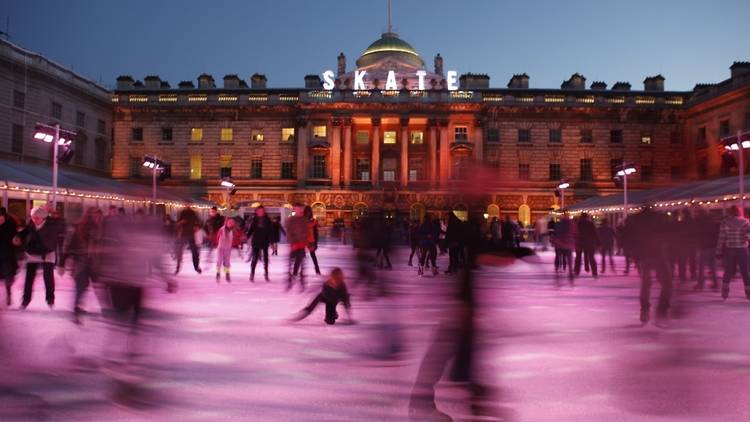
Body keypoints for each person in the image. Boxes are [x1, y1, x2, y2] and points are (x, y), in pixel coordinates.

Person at [629, 206, 673, 324]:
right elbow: (668, 235)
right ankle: (662, 309)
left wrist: (634, 255)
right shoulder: (659, 218)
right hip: (658, 254)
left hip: (645, 255)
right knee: (667, 283)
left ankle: (645, 308)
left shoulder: (636, 220)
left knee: (646, 282)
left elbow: (632, 239)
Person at [60, 207, 103, 323]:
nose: (97, 218)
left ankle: (79, 308)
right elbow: (69, 247)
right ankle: (76, 310)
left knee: (90, 286)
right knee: (81, 286)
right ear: (89, 216)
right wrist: (62, 263)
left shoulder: (99, 230)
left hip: (92, 264)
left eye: (99, 216)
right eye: (95, 216)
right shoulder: (79, 228)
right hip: (80, 264)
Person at [14, 207, 63, 309]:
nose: (34, 220)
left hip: (47, 253)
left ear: (43, 218)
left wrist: (33, 249)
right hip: (33, 253)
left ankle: (50, 300)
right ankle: (25, 300)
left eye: (37, 218)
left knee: (48, 278)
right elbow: (25, 231)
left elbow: (50, 245)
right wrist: (18, 236)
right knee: (29, 278)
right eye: (33, 217)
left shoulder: (51, 227)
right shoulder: (32, 224)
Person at [716, 205, 750, 300]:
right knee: (745, 271)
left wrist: (718, 251)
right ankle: (748, 291)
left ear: (730, 212)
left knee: (728, 271)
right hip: (742, 248)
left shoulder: (725, 222)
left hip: (730, 249)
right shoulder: (746, 222)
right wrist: (746, 237)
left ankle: (725, 291)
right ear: (739, 212)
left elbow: (721, 238)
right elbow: (748, 235)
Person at [694, 208, 720, 291]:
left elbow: (698, 234)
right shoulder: (713, 221)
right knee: (712, 266)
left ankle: (700, 284)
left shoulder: (699, 222)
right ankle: (715, 284)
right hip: (713, 246)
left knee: (701, 267)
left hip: (704, 246)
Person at [285, 203, 308, 291]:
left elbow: (306, 232)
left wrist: (307, 243)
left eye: (299, 208)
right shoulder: (290, 220)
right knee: (291, 264)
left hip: (302, 245)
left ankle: (302, 282)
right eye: (296, 208)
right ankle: (290, 280)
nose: (298, 210)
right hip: (294, 245)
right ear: (294, 209)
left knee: (301, 263)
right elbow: (289, 233)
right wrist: (292, 243)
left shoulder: (304, 220)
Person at [246, 206, 273, 282]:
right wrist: (247, 237)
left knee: (266, 258)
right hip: (256, 241)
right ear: (256, 211)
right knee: (254, 258)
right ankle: (252, 273)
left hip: (265, 241)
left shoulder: (267, 220)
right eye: (259, 211)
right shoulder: (254, 220)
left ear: (264, 211)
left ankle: (266, 273)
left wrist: (272, 241)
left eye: (262, 211)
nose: (260, 212)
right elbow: (250, 230)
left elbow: (271, 231)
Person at [174, 206, 202, 275]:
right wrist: (181, 222)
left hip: (191, 236)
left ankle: (196, 267)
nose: (187, 206)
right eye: (186, 204)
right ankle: (178, 267)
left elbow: (200, 222)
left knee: (195, 252)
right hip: (183, 235)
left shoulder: (193, 214)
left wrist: (197, 227)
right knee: (179, 252)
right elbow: (177, 224)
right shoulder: (182, 213)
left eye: (189, 204)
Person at [0, 208, 19, 306]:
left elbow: (15, 238)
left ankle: (8, 294)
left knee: (8, 275)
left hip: (7, 254)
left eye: (1, 219)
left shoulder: (11, 224)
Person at [551, 212, 576, 284]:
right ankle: (570, 274)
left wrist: (555, 241)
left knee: (559, 257)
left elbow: (556, 233)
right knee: (569, 260)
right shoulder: (572, 224)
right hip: (568, 244)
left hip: (560, 244)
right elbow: (575, 234)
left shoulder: (559, 224)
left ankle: (558, 269)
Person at [574, 213, 599, 278]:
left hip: (580, 243)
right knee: (591, 257)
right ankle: (594, 272)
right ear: (587, 217)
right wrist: (598, 242)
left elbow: (575, 233)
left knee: (578, 257)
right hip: (589, 243)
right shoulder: (590, 224)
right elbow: (595, 233)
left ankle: (577, 271)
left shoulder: (578, 224)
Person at [213, 217, 236, 282]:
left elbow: (235, 239)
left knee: (227, 262)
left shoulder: (232, 230)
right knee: (219, 261)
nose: (231, 224)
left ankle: (227, 273)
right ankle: (218, 273)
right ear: (226, 223)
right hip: (221, 248)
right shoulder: (222, 229)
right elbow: (217, 237)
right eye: (229, 222)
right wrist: (216, 244)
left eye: (232, 223)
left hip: (228, 249)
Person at [303, 206, 322, 275]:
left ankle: (317, 269)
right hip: (303, 241)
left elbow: (316, 232)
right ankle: (299, 271)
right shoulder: (302, 220)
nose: (308, 213)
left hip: (311, 241)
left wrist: (316, 243)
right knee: (300, 256)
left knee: (313, 255)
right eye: (307, 212)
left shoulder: (313, 221)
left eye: (309, 212)